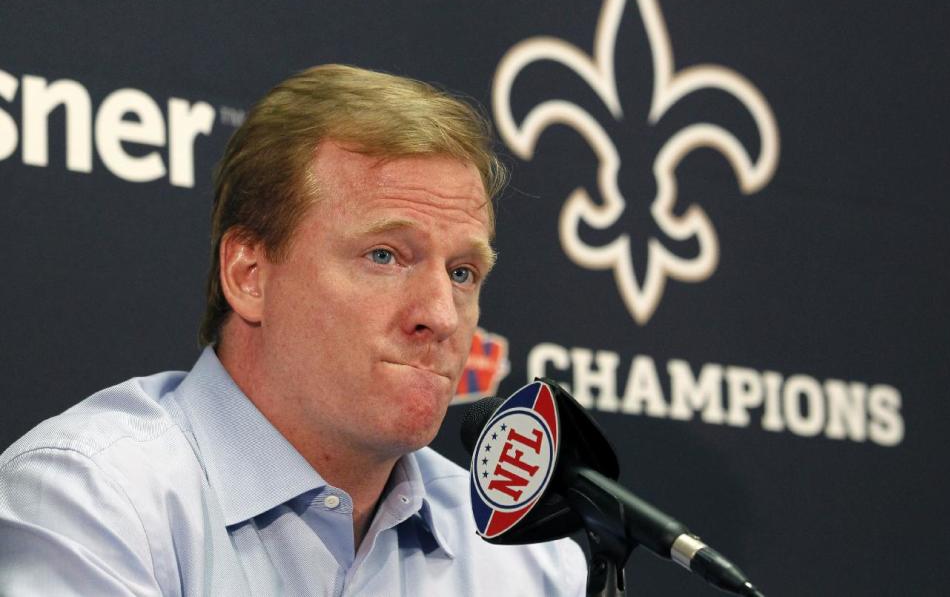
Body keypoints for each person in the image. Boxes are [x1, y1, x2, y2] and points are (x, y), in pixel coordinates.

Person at [0, 65, 587, 595]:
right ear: (249, 274)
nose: (441, 314)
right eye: (384, 256)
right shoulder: (97, 499)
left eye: (463, 272)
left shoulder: (528, 566)